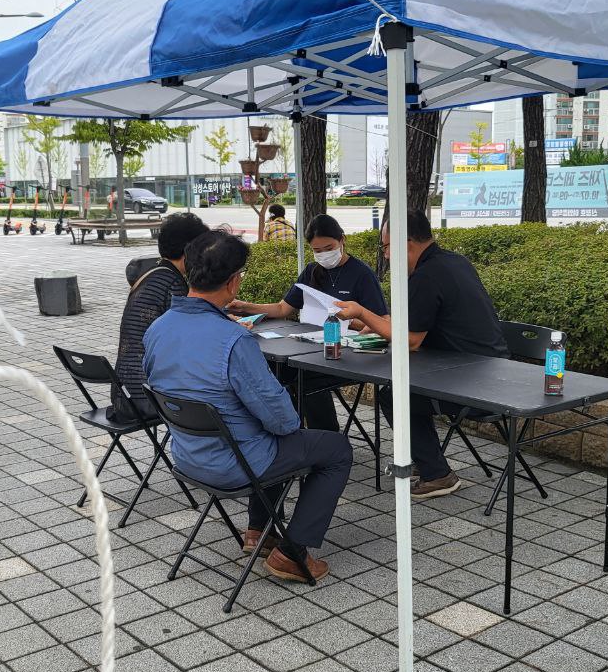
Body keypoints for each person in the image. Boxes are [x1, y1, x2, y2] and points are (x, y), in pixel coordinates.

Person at [144, 230, 352, 582]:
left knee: (264, 434)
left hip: (187, 457)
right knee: (335, 449)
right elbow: (284, 422)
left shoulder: (158, 328)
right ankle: (292, 552)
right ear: (233, 281)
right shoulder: (234, 339)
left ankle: (260, 530)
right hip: (236, 464)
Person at [336, 209, 508, 499]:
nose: (387, 256)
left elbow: (411, 341)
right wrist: (379, 324)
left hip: (474, 382)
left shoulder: (426, 275)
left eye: (387, 247)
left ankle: (438, 474)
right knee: (403, 390)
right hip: (491, 369)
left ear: (407, 244)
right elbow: (418, 322)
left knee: (395, 396)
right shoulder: (455, 261)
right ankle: (427, 462)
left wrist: (364, 313)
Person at [230, 214, 387, 431]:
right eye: (317, 250)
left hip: (343, 353)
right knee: (278, 371)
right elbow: (283, 308)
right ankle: (292, 431)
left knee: (304, 377)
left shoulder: (361, 274)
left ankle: (325, 435)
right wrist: (245, 306)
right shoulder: (312, 271)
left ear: (342, 240)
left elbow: (383, 321)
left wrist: (354, 326)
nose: (323, 255)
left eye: (328, 247)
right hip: (312, 345)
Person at [108, 212, 210, 423]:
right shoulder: (173, 284)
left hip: (124, 395)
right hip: (148, 399)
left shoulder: (152, 274)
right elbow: (194, 337)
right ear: (189, 250)